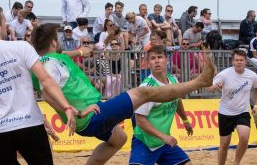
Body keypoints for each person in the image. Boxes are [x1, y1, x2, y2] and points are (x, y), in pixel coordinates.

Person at [30, 23, 215, 165]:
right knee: (143, 93)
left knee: (119, 138)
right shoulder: (49, 64)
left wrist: (80, 51)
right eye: (59, 38)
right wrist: (74, 111)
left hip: (93, 113)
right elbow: (47, 93)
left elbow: (61, 57)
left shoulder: (50, 60)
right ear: (54, 42)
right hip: (89, 115)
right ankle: (200, 82)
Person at [0, 6, 79, 165]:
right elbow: (46, 80)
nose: (7, 26)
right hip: (30, 124)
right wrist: (66, 107)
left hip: (0, 129)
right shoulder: (21, 47)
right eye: (4, 22)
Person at [129, 45, 194, 165]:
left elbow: (177, 100)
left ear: (167, 60)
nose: (157, 61)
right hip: (145, 142)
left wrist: (185, 121)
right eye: (153, 58)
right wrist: (163, 136)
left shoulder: (173, 80)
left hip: (164, 143)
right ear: (148, 63)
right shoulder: (146, 88)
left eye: (160, 57)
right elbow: (139, 120)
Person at [209, 49, 257, 165]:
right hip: (225, 112)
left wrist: (256, 105)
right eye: (236, 60)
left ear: (245, 61)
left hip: (242, 112)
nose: (239, 62)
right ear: (232, 61)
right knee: (224, 144)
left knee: (244, 137)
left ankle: (236, 163)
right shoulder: (224, 74)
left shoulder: (252, 75)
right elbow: (210, 87)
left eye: (241, 60)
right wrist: (215, 87)